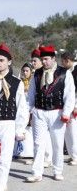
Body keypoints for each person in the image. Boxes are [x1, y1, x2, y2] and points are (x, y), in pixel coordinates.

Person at [0, 44, 29, 191]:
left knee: (4, 159)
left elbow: (21, 108)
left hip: (8, 124)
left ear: (9, 62)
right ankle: (1, 183)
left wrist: (20, 129)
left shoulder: (16, 83)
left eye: (2, 60)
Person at [26, 46, 75, 182]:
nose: (44, 62)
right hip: (39, 111)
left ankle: (57, 170)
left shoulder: (64, 73)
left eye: (46, 59)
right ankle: (37, 172)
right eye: (42, 59)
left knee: (58, 143)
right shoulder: (36, 73)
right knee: (38, 143)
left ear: (53, 59)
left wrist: (66, 113)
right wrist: (30, 109)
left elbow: (69, 95)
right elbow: (31, 93)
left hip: (57, 112)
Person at [14, 63, 35, 160]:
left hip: (30, 108)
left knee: (29, 129)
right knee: (20, 127)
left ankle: (29, 152)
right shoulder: (19, 82)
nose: (25, 72)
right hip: (20, 108)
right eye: (24, 71)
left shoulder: (33, 82)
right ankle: (19, 151)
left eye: (27, 71)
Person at [60, 52, 77, 165]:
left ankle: (76, 156)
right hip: (66, 105)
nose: (61, 64)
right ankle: (72, 155)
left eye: (63, 61)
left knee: (73, 133)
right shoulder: (65, 71)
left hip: (74, 105)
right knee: (67, 133)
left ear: (67, 60)